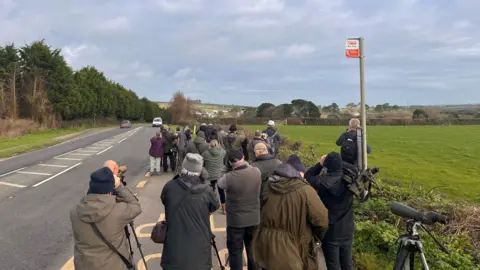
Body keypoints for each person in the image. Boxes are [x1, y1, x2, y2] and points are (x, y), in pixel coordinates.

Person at [252, 155, 329, 270]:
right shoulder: (306, 190)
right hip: (293, 248)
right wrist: (316, 237)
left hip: (266, 244)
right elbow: (321, 220)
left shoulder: (269, 185)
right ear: (297, 172)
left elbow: (261, 210)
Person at [70, 160, 142, 270]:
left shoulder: (75, 211)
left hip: (84, 265)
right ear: (111, 188)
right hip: (112, 265)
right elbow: (135, 206)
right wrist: (119, 187)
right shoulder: (118, 210)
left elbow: (91, 198)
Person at [161, 154, 220, 270]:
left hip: (174, 247)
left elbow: (164, 200)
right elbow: (215, 206)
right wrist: (205, 180)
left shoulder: (170, 187)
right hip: (200, 248)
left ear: (183, 167)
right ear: (200, 170)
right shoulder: (206, 190)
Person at [305, 152, 354, 270]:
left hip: (331, 230)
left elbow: (308, 176)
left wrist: (320, 164)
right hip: (347, 229)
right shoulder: (350, 182)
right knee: (347, 263)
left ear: (327, 165)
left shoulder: (321, 182)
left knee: (333, 264)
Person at [218, 150, 262, 270]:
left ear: (230, 163)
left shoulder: (228, 177)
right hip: (254, 218)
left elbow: (219, 183)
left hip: (236, 221)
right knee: (253, 251)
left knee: (235, 252)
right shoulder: (256, 172)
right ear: (243, 157)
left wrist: (226, 168)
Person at [202, 140, 227, 214]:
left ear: (210, 145)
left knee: (211, 191)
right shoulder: (222, 152)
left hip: (210, 175)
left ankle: (210, 207)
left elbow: (202, 160)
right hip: (219, 174)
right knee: (221, 191)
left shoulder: (205, 153)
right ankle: (224, 208)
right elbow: (224, 151)